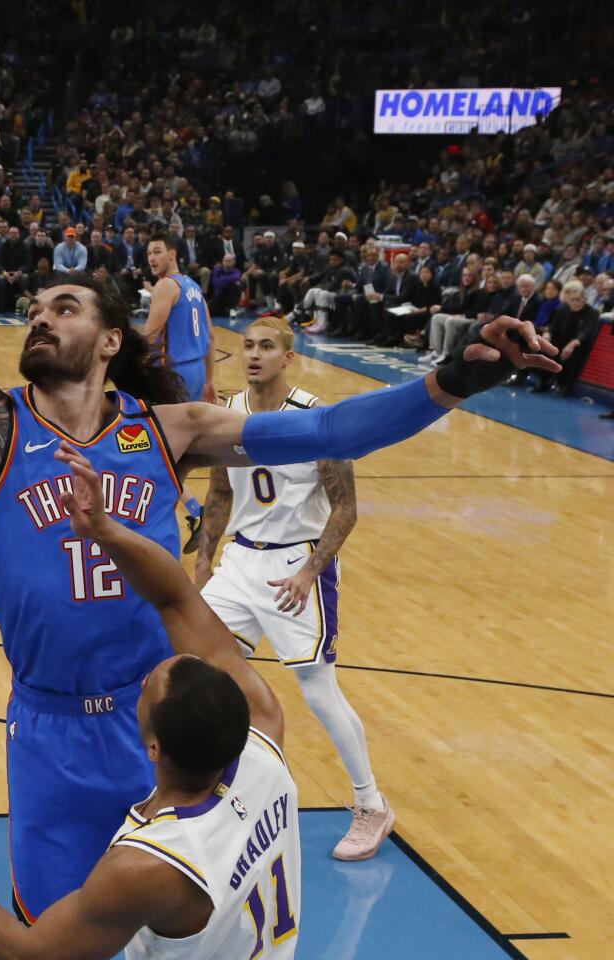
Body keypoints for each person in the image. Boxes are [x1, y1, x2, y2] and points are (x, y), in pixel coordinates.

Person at [0, 155, 559, 922]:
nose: (42, 315)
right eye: (35, 307)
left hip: (157, 726)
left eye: (65, 306)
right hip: (46, 738)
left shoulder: (171, 431)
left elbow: (326, 438)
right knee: (53, 943)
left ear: (112, 337)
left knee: (189, 938)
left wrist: (450, 382)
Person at [0, 439, 300, 959]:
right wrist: (102, 530)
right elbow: (178, 597)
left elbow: (35, 954)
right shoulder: (264, 747)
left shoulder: (149, 866)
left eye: (150, 686)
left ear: (154, 748)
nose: (144, 677)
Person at [196, 316, 392, 860]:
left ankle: (371, 804)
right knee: (201, 671)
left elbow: (346, 508)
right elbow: (218, 493)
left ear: (288, 357)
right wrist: (205, 562)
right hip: (239, 560)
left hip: (296, 564)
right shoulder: (227, 414)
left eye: (266, 347)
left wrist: (310, 573)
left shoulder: (316, 419)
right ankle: (220, 791)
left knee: (318, 691)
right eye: (248, 347)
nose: (254, 355)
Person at [144, 233, 215, 552]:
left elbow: (150, 334)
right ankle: (188, 511)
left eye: (157, 252)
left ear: (172, 254)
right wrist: (210, 380)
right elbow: (211, 336)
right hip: (196, 369)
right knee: (171, 450)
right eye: (148, 253)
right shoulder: (193, 286)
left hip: (175, 373)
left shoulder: (165, 286)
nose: (151, 258)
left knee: (159, 449)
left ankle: (191, 512)